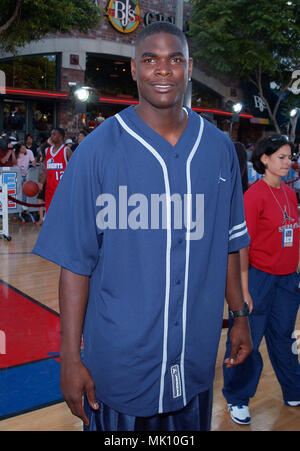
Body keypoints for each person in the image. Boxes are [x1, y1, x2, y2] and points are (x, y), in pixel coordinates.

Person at [33, 22, 252, 431]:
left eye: (175, 59)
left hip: (194, 358)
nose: (163, 70)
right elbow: (75, 265)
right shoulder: (97, 150)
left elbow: (227, 243)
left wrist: (240, 315)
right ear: (134, 69)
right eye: (150, 59)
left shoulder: (220, 150)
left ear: (190, 67)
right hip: (119, 368)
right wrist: (71, 358)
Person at [222, 134, 300, 425]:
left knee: (283, 338)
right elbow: (242, 247)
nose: (287, 162)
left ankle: (294, 388)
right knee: (247, 341)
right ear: (264, 159)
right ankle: (237, 397)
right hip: (258, 279)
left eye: (290, 156)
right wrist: (243, 291)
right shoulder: (253, 197)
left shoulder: (290, 194)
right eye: (281, 157)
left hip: (286, 281)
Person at [37, 128, 72, 213]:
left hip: (62, 189)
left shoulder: (66, 151)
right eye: (51, 134)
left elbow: (73, 170)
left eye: (54, 134)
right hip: (50, 188)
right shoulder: (47, 150)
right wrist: (41, 182)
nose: (51, 136)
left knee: (63, 213)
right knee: (50, 213)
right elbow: (46, 169)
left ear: (60, 137)